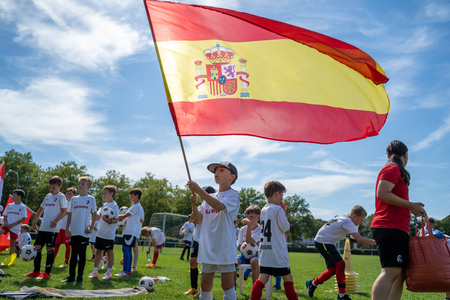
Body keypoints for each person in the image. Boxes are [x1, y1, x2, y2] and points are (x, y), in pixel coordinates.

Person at [371, 140, 424, 300]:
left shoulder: (395, 171)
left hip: (396, 227)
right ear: (405, 154)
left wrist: (409, 208)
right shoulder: (392, 168)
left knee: (398, 274)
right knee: (390, 272)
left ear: (387, 155)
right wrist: (409, 205)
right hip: (389, 226)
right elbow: (383, 193)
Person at [187, 161, 240, 300]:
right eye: (216, 170)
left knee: (228, 285)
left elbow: (219, 206)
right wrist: (194, 205)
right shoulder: (208, 198)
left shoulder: (233, 195)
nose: (217, 172)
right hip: (208, 248)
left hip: (225, 248)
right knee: (205, 285)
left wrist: (199, 190)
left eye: (222, 170)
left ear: (232, 177)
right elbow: (197, 220)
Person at [305, 205, 376, 300]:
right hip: (323, 241)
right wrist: (378, 242)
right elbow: (359, 239)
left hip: (324, 241)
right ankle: (342, 296)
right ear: (354, 216)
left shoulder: (346, 218)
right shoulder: (348, 222)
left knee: (334, 269)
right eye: (361, 219)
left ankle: (312, 284)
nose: (361, 222)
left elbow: (352, 236)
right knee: (341, 264)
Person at [250, 181, 298, 300]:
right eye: (282, 194)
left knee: (262, 278)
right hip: (277, 252)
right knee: (288, 278)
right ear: (277, 194)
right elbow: (286, 228)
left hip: (265, 251)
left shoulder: (264, 209)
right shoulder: (278, 210)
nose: (282, 197)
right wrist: (284, 212)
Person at [23, 176, 67, 279]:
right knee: (36, 248)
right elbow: (41, 208)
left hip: (52, 228)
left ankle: (47, 273)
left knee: (49, 249)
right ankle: (36, 271)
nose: (51, 189)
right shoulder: (47, 196)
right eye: (50, 187)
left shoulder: (61, 197)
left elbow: (65, 211)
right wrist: (34, 222)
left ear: (59, 187)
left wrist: (56, 220)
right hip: (43, 227)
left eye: (53, 187)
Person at [62, 176, 97, 284]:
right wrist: (67, 229)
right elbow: (69, 214)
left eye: (83, 183)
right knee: (73, 255)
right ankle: (71, 276)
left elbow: (95, 214)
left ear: (88, 187)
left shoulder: (91, 199)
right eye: (79, 183)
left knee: (82, 255)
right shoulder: (74, 199)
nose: (80, 185)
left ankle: (79, 277)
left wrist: (91, 228)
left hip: (84, 232)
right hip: (74, 231)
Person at [184, 185, 216, 297]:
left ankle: (203, 290)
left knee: (205, 266)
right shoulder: (201, 206)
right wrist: (194, 205)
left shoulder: (213, 206)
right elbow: (194, 220)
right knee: (193, 263)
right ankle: (193, 288)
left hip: (207, 240)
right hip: (197, 239)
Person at [89, 185, 119, 280]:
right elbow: (99, 216)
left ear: (111, 193)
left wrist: (109, 221)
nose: (104, 195)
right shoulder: (104, 205)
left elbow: (117, 219)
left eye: (105, 193)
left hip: (109, 234)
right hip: (100, 233)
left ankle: (108, 273)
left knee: (109, 252)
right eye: (103, 193)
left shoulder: (114, 205)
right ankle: (95, 272)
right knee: (98, 251)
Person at [116, 188, 142, 276]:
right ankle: (128, 270)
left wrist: (113, 218)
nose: (130, 197)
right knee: (129, 250)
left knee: (126, 249)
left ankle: (125, 271)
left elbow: (124, 216)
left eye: (132, 196)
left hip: (130, 232)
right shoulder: (137, 206)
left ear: (137, 196)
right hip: (131, 232)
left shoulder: (136, 206)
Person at [236, 204, 261, 284]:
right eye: (248, 216)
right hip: (244, 256)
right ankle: (233, 288)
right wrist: (244, 250)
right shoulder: (242, 229)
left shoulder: (260, 229)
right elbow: (239, 246)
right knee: (233, 260)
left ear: (258, 218)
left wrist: (249, 225)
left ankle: (255, 291)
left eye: (252, 216)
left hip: (256, 256)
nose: (249, 219)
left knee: (254, 261)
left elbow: (248, 241)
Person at [1, 189, 28, 258]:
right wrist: (5, 222)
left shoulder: (23, 207)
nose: (12, 197)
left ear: (19, 197)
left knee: (12, 244)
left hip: (15, 228)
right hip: (7, 225)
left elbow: (23, 219)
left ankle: (10, 259)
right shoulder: (10, 205)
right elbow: (5, 215)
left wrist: (12, 225)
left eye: (14, 195)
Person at [54, 187, 76, 268]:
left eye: (70, 194)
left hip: (69, 228)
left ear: (74, 195)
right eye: (67, 194)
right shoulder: (64, 203)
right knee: (56, 244)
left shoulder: (75, 204)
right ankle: (52, 261)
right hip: (60, 227)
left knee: (67, 245)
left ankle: (66, 262)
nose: (68, 195)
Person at [132, 205, 145, 272]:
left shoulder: (140, 209)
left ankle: (134, 267)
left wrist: (134, 216)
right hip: (129, 231)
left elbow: (142, 220)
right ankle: (127, 266)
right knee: (127, 249)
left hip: (136, 232)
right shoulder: (131, 208)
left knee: (135, 249)